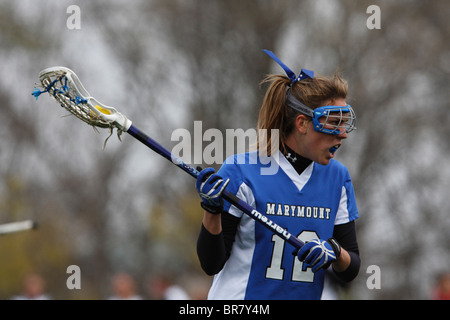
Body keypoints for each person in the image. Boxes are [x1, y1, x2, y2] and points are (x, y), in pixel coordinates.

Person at [195, 50, 360, 300]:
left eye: (343, 123)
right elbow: (211, 263)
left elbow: (351, 269)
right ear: (302, 124)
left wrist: (335, 251)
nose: (342, 134)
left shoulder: (338, 177)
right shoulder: (241, 171)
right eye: (332, 123)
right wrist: (211, 211)